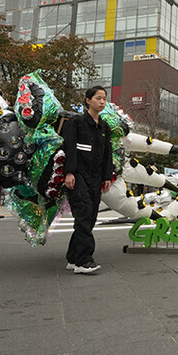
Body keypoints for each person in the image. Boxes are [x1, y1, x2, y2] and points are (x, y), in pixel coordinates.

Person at [61, 86, 114, 275]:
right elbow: (70, 149)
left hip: (96, 177)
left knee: (90, 216)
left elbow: (108, 153)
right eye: (98, 98)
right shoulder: (76, 122)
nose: (102, 102)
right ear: (88, 100)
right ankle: (84, 261)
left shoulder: (104, 126)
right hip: (78, 175)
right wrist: (69, 173)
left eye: (104, 99)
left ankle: (73, 257)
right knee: (83, 212)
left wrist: (107, 176)